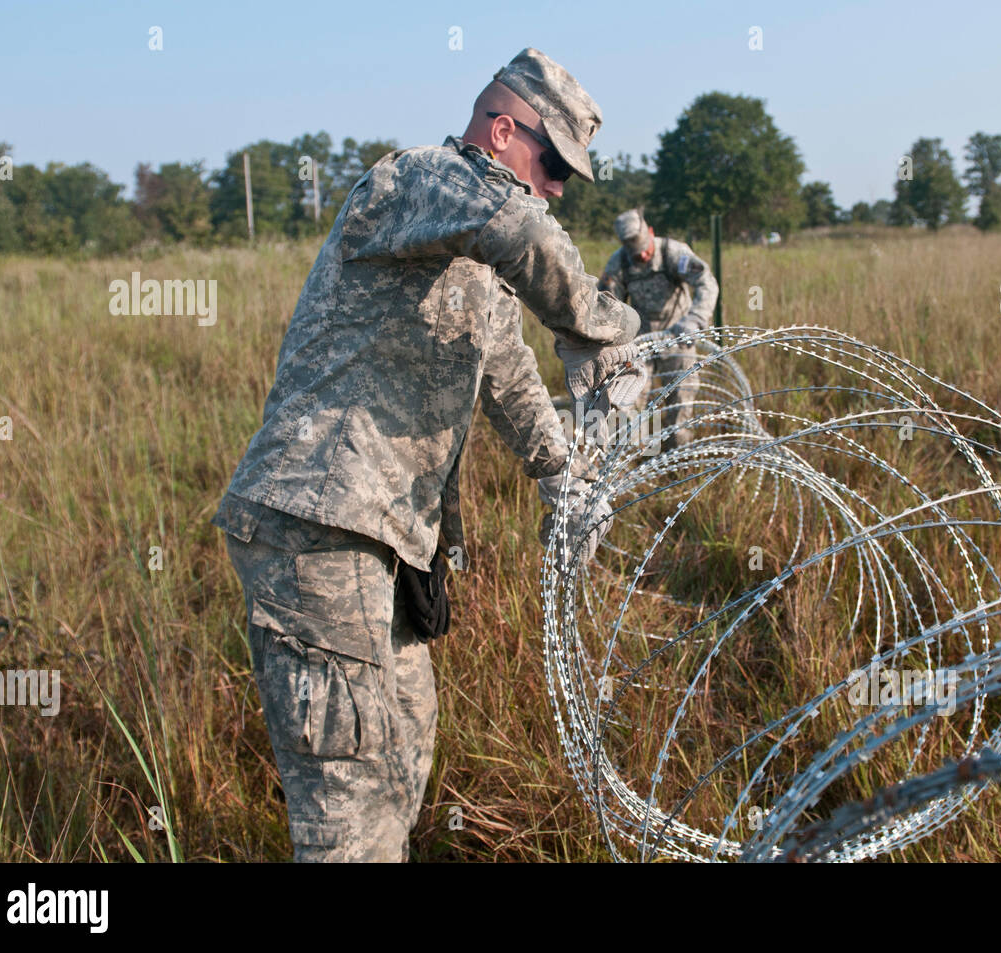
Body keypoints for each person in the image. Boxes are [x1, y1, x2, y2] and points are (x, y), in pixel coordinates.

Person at [211, 48, 642, 862]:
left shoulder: (474, 257)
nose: (555, 188)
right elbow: (517, 227)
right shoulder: (413, 182)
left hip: (392, 540)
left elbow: (507, 368)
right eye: (551, 164)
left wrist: (562, 476)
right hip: (319, 526)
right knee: (351, 806)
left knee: (404, 758)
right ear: (502, 129)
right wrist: (603, 326)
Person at [598, 208, 718, 450]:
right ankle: (635, 458)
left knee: (680, 402)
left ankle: (677, 460)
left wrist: (695, 319)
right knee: (631, 402)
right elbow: (607, 306)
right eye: (635, 251)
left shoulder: (673, 253)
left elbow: (707, 283)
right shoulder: (619, 262)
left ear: (651, 232)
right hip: (641, 342)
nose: (642, 254)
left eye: (644, 247)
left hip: (679, 336)